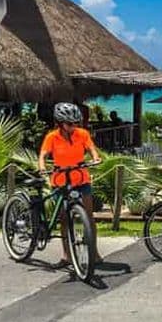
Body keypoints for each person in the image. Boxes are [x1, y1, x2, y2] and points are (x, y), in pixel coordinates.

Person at [38, 102, 102, 268]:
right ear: (60, 123)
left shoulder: (82, 134)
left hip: (81, 178)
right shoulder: (52, 137)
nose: (73, 126)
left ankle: (94, 251)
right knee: (64, 219)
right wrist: (42, 167)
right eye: (69, 123)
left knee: (88, 216)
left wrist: (95, 157)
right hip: (60, 180)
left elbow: (91, 148)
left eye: (75, 123)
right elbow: (43, 155)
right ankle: (66, 255)